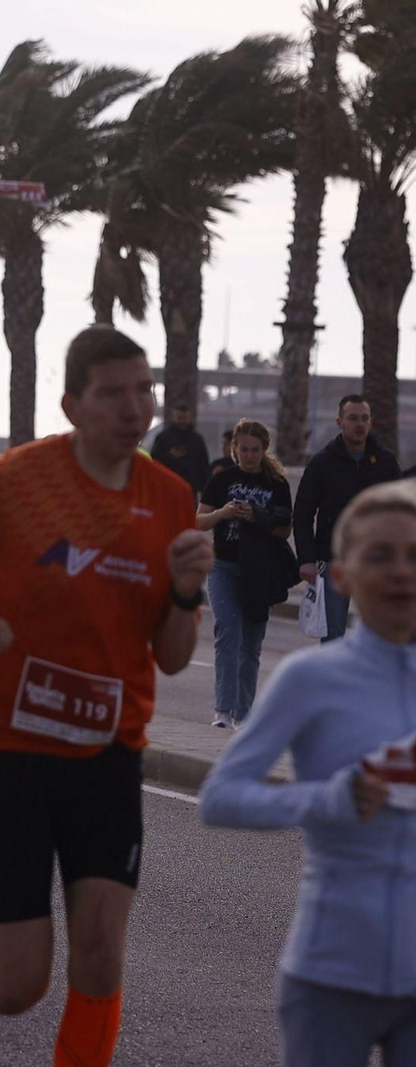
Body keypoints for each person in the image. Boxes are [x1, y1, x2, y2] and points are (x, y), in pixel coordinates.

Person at [0, 325, 213, 1067]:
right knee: (24, 977)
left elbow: (172, 654)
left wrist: (188, 591)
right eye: (112, 394)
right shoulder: (16, 478)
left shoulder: (169, 496)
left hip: (110, 749)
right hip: (16, 747)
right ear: (72, 403)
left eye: (144, 391)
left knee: (99, 955)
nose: (134, 409)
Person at [200, 479, 416, 1067]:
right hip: (330, 972)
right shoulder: (310, 678)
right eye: (379, 556)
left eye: (414, 556)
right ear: (340, 577)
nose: (401, 572)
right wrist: (327, 799)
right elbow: (221, 798)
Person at [196, 418, 297, 729]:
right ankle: (223, 711)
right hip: (223, 565)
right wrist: (222, 513)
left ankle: (244, 713)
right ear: (234, 449)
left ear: (264, 449)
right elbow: (199, 521)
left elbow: (284, 528)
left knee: (251, 643)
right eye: (243, 449)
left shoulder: (276, 484)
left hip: (260, 570)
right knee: (228, 632)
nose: (249, 455)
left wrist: (257, 516)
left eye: (255, 449)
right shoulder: (222, 479)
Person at [294, 394, 400, 642]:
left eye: (364, 419)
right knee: (333, 637)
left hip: (376, 560)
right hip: (333, 561)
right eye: (353, 418)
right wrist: (307, 559)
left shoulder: (385, 462)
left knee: (381, 636)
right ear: (340, 422)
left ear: (371, 423)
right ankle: (335, 681)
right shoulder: (322, 463)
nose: (359, 424)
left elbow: (399, 512)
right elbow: (302, 512)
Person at [150, 401, 211, 500]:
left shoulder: (197, 439)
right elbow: (154, 461)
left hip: (190, 488)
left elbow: (203, 465)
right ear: (174, 417)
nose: (182, 421)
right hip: (166, 488)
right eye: (179, 418)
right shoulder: (163, 438)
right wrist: (170, 456)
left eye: (184, 418)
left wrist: (204, 489)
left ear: (190, 418)